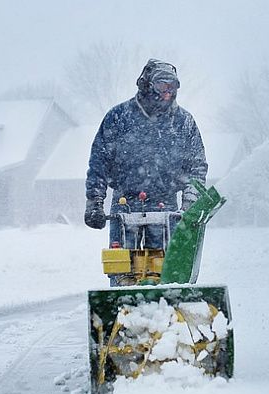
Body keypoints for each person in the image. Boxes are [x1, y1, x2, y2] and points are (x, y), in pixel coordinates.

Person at [84, 58, 208, 253]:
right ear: (147, 85)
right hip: (125, 204)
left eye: (173, 86)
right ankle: (123, 283)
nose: (168, 92)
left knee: (166, 268)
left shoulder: (183, 122)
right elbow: (99, 161)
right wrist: (94, 201)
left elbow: (197, 166)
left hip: (166, 205)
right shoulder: (119, 117)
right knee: (122, 267)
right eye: (162, 85)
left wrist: (190, 202)